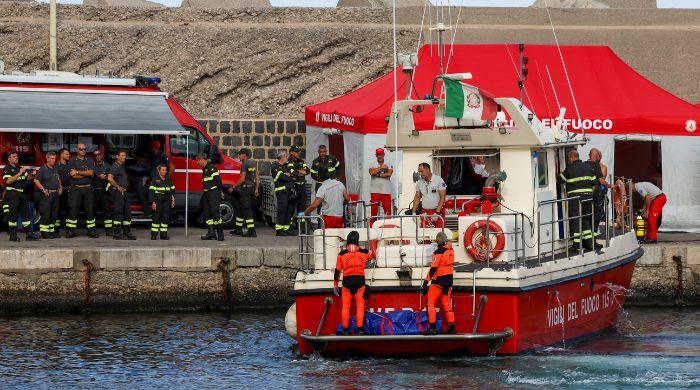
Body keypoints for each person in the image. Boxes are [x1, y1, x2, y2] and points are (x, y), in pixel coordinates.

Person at [333, 230, 374, 336]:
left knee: (345, 307)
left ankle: (345, 330)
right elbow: (372, 256)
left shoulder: (341, 254)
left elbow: (337, 271)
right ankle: (360, 329)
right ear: (357, 241)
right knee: (360, 306)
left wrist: (335, 285)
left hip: (347, 283)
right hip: (360, 282)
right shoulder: (364, 252)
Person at [557, 150, 598, 253]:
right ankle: (590, 244)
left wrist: (558, 174)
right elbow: (595, 184)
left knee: (576, 219)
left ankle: (577, 245)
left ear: (571, 157)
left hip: (575, 198)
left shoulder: (569, 169)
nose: (569, 160)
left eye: (568, 158)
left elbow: (560, 180)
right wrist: (588, 193)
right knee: (586, 219)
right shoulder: (588, 167)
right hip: (588, 197)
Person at [421, 232, 456, 335]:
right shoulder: (451, 250)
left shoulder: (438, 252)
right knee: (447, 305)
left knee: (430, 303)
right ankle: (452, 328)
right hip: (449, 281)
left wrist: (425, 283)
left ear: (437, 241)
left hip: (438, 281)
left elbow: (433, 269)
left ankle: (432, 328)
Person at [3, 152, 39, 242]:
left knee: (26, 214)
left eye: (17, 156)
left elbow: (28, 178)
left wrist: (33, 174)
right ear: (9, 159)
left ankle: (29, 234)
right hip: (12, 193)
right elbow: (8, 181)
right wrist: (19, 174)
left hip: (22, 194)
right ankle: (13, 235)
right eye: (14, 156)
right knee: (13, 215)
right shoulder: (7, 168)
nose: (16, 158)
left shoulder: (20, 168)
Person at [66, 143, 97, 238]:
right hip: (76, 189)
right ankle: (71, 231)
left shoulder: (90, 160)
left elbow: (91, 173)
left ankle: (91, 231)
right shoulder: (71, 161)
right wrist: (85, 174)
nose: (83, 151)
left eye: (84, 149)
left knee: (90, 210)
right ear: (77, 150)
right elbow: (72, 175)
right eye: (81, 149)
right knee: (73, 210)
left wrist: (78, 172)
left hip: (88, 188)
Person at [229, 148, 259, 237]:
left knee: (246, 209)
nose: (239, 156)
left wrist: (233, 187)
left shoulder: (244, 164)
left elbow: (242, 179)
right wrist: (256, 189)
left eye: (240, 154)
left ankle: (252, 231)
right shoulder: (253, 164)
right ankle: (238, 229)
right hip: (252, 188)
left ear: (244, 155)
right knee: (240, 208)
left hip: (246, 189)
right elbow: (257, 178)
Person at [108, 151, 135, 240]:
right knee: (118, 213)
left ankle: (127, 232)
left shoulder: (121, 166)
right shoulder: (115, 166)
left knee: (128, 213)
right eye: (122, 155)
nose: (124, 157)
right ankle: (117, 234)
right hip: (118, 192)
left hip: (125, 192)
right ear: (117, 156)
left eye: (125, 156)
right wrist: (118, 187)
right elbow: (110, 178)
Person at [34, 152, 62, 239]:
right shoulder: (43, 169)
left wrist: (60, 187)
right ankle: (44, 233)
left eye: (55, 158)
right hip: (47, 195)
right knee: (46, 214)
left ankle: (51, 231)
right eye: (52, 158)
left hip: (55, 194)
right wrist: (43, 189)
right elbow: (36, 180)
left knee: (54, 214)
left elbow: (58, 178)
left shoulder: (55, 168)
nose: (54, 160)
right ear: (47, 159)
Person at [197, 153, 224, 241]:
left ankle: (220, 234)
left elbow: (218, 180)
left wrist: (220, 191)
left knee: (214, 212)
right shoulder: (204, 169)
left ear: (202, 159)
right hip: (206, 193)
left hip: (213, 193)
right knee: (207, 213)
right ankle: (211, 233)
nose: (197, 162)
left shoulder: (211, 168)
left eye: (198, 160)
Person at [411, 163, 447, 228]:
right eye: (419, 172)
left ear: (428, 170)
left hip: (437, 211)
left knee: (438, 234)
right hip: (425, 212)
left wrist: (437, 213)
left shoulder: (439, 180)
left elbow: (443, 197)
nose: (420, 174)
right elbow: (417, 197)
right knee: (425, 235)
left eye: (421, 171)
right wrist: (413, 212)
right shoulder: (419, 182)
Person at [585, 148, 613, 232]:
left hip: (587, 192)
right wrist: (609, 185)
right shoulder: (597, 166)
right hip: (596, 193)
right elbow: (601, 180)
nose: (600, 157)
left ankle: (590, 232)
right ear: (597, 156)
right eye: (599, 155)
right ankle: (593, 232)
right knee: (595, 214)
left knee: (587, 214)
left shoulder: (584, 164)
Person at [148, 165, 175, 240]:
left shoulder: (168, 179)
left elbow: (172, 190)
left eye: (165, 170)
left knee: (165, 217)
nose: (164, 172)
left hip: (167, 200)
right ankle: (154, 235)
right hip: (158, 200)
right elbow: (151, 192)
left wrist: (173, 199)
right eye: (162, 170)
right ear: (159, 171)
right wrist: (153, 202)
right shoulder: (155, 180)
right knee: (156, 217)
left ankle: (163, 235)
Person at [272, 150, 295, 236]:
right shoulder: (275, 166)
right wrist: (289, 176)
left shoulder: (286, 166)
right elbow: (281, 177)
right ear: (282, 157)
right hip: (281, 192)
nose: (287, 158)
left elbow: (292, 175)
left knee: (289, 211)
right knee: (282, 210)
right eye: (286, 156)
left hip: (288, 191)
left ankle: (286, 229)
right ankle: (279, 230)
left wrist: (289, 176)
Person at [368, 148, 393, 222]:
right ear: (376, 155)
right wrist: (381, 167)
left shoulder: (389, 163)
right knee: (374, 212)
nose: (380, 156)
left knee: (388, 212)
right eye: (378, 155)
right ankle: (372, 228)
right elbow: (372, 173)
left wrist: (377, 174)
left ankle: (388, 227)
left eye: (381, 154)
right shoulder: (372, 163)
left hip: (386, 191)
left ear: (384, 155)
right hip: (374, 191)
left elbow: (389, 174)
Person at [288, 145, 309, 227]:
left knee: (302, 207)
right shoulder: (289, 161)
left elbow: (307, 171)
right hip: (294, 186)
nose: (298, 153)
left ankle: (301, 226)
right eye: (296, 152)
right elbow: (293, 173)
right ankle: (290, 226)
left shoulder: (301, 161)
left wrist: (300, 172)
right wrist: (300, 172)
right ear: (291, 152)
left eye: (299, 151)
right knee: (291, 207)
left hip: (302, 187)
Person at [92, 150, 112, 236]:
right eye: (96, 155)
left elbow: (112, 177)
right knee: (92, 211)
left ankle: (109, 230)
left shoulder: (108, 166)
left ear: (102, 155)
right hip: (94, 191)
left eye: (99, 155)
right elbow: (88, 176)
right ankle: (92, 230)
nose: (97, 156)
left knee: (106, 211)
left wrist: (106, 176)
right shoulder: (91, 166)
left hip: (105, 191)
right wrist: (98, 176)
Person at [56, 148, 71, 235]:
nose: (68, 155)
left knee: (70, 210)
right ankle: (56, 230)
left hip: (69, 190)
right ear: (61, 155)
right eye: (67, 154)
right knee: (57, 210)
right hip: (60, 191)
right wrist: (60, 187)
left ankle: (69, 230)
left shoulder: (70, 164)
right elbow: (57, 177)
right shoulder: (57, 165)